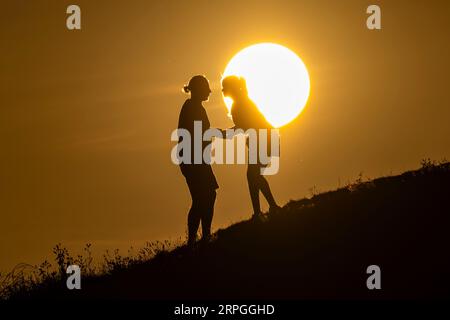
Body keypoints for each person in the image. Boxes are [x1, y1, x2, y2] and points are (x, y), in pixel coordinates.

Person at [222, 75, 280, 219]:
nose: (223, 91)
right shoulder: (241, 101)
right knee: (254, 175)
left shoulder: (239, 104)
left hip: (264, 139)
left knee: (253, 175)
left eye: (225, 87)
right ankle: (263, 210)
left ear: (231, 88)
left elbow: (242, 127)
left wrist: (224, 133)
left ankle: (265, 209)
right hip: (265, 138)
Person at [177, 75, 218, 247]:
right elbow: (196, 134)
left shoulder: (194, 107)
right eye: (206, 87)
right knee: (203, 197)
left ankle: (200, 238)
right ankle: (199, 238)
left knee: (205, 196)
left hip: (196, 159)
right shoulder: (192, 108)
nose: (208, 91)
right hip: (193, 160)